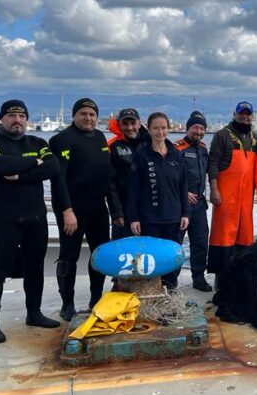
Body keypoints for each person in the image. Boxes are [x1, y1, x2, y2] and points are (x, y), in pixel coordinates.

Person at [0, 100, 61, 343]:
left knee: (35, 267)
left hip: (36, 217)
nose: (17, 120)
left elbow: (53, 167)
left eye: (22, 115)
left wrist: (17, 174)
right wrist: (34, 163)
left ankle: (34, 313)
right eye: (12, 115)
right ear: (1, 119)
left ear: (27, 120)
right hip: (5, 218)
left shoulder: (37, 143)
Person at [50, 98, 122, 321]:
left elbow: (108, 176)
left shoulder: (100, 137)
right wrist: (66, 210)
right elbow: (58, 179)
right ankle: (67, 303)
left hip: (97, 207)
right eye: (83, 114)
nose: (88, 118)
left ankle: (96, 299)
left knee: (99, 256)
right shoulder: (61, 139)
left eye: (92, 114)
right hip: (72, 208)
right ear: (74, 115)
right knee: (68, 256)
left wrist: (115, 210)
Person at [129, 112, 190, 289]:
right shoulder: (141, 155)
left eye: (163, 128)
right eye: (156, 128)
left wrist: (185, 213)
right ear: (148, 129)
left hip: (173, 218)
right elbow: (133, 190)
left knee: (171, 260)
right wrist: (134, 218)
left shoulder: (176, 155)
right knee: (151, 260)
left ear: (169, 129)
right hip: (150, 219)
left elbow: (183, 186)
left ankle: (170, 294)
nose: (160, 132)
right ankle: (152, 294)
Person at [208, 101, 257, 280]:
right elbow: (213, 162)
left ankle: (240, 275)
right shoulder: (222, 135)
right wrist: (213, 189)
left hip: (246, 197)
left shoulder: (254, 137)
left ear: (252, 116)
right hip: (225, 194)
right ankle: (220, 278)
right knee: (223, 234)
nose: (245, 117)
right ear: (234, 114)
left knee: (245, 235)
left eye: (248, 114)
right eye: (241, 113)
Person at [174, 111, 211, 291]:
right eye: (195, 127)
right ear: (188, 128)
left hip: (199, 204)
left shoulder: (203, 149)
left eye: (202, 128)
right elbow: (170, 175)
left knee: (201, 242)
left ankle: (198, 277)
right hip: (181, 204)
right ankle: (170, 280)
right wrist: (184, 192)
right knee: (176, 242)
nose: (199, 131)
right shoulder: (178, 148)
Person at [108, 108, 149, 240]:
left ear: (139, 123)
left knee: (147, 248)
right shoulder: (113, 146)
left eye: (133, 123)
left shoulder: (151, 142)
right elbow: (110, 182)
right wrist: (116, 212)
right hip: (124, 208)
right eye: (125, 124)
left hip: (148, 207)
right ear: (120, 124)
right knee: (122, 248)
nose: (130, 128)